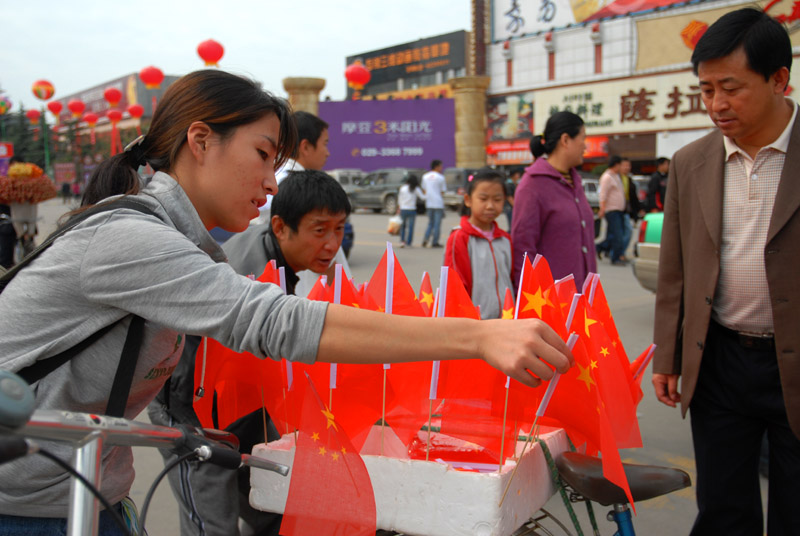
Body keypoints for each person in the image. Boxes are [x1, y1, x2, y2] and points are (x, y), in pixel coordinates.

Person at [0, 69, 572, 535]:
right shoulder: (131, 239)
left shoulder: (181, 241)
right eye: (263, 154)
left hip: (90, 486)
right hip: (26, 503)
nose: (273, 182)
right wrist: (475, 337)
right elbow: (274, 320)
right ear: (200, 141)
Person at [652, 8, 800, 535]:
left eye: (731, 88)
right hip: (721, 361)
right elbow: (675, 269)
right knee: (723, 510)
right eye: (706, 89)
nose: (716, 104)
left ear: (780, 79)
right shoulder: (692, 163)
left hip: (795, 360)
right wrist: (667, 356)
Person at [149, 170, 350, 536]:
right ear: (280, 226)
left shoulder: (282, 259)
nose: (332, 244)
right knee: (213, 524)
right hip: (190, 405)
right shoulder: (244, 272)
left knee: (275, 507)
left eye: (339, 229)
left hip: (245, 403)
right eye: (319, 230)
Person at [256, 111, 347, 296]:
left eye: (339, 228)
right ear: (305, 146)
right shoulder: (287, 186)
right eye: (325, 144)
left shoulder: (273, 178)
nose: (328, 152)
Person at [511, 112, 597, 288]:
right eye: (583, 138)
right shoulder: (533, 184)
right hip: (552, 302)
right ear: (565, 140)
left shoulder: (575, 181)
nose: (585, 147)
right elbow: (523, 248)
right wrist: (527, 299)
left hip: (583, 298)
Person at [444, 168, 513, 320]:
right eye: (483, 199)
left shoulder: (506, 239)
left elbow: (512, 278)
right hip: (476, 323)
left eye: (497, 199)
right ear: (468, 200)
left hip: (507, 321)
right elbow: (456, 287)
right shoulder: (459, 238)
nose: (490, 206)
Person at [595, 155, 627, 265]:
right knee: (617, 235)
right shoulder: (607, 177)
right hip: (611, 210)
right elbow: (603, 194)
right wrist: (602, 208)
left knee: (612, 235)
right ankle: (615, 258)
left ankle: (599, 248)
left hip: (618, 210)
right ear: (616, 164)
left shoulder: (616, 176)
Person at [618, 157, 641, 260]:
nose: (627, 168)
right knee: (623, 232)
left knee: (626, 231)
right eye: (625, 165)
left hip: (626, 210)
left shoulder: (629, 180)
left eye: (629, 165)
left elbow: (633, 198)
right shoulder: (616, 178)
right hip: (617, 209)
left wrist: (638, 210)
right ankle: (618, 253)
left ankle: (617, 252)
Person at [421, 159, 446, 248]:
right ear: (437, 167)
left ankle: (426, 238)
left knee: (430, 223)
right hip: (438, 203)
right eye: (440, 166)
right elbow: (442, 192)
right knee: (437, 224)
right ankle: (435, 242)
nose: (441, 168)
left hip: (429, 203)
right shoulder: (440, 177)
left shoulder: (425, 177)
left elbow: (424, 190)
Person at [397, 173, 425, 247]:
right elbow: (423, 198)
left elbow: (400, 199)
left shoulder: (402, 188)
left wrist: (399, 207)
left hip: (403, 209)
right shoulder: (416, 188)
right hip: (412, 210)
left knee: (403, 226)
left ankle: (402, 241)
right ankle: (409, 242)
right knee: (411, 227)